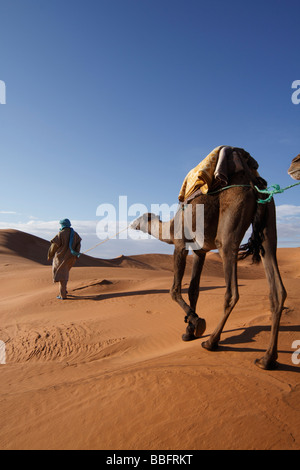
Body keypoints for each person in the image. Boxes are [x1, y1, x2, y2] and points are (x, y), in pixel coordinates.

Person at [47, 219, 82, 299]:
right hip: (71, 258)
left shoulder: (61, 234)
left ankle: (63, 295)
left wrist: (50, 255)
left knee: (62, 277)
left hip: (61, 258)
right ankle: (64, 291)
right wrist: (76, 254)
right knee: (64, 274)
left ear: (62, 225)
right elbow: (78, 245)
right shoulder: (75, 234)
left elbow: (54, 246)